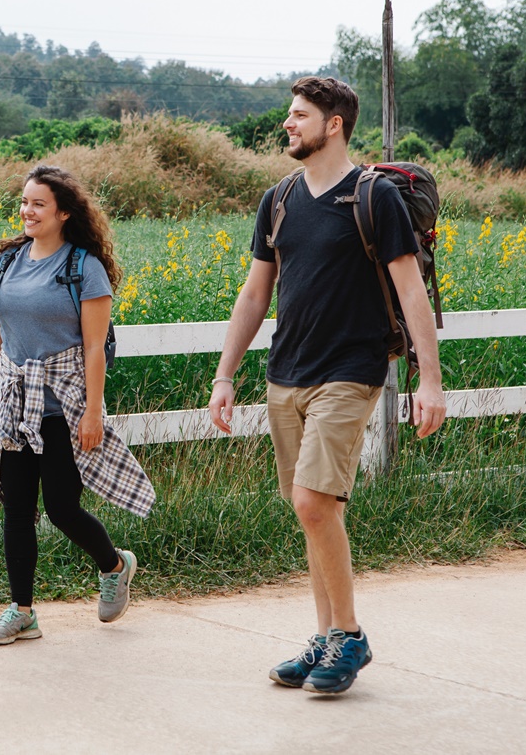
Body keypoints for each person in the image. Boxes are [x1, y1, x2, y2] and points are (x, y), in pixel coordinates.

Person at [207, 77, 446, 694]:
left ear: (333, 124)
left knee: (314, 503)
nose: (287, 124)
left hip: (351, 369)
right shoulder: (280, 198)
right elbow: (255, 293)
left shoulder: (373, 197)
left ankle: (350, 636)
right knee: (313, 512)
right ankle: (324, 638)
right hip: (286, 371)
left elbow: (411, 291)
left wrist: (430, 380)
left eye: (299, 115)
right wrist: (225, 374)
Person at [0, 164, 155, 646]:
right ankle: (22, 612)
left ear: (64, 213)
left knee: (62, 509)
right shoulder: (6, 263)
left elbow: (94, 348)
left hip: (65, 406)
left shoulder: (83, 269)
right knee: (16, 508)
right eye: (24, 202)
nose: (27, 211)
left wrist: (93, 411)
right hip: (15, 402)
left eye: (38, 204)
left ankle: (114, 565)